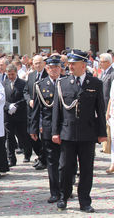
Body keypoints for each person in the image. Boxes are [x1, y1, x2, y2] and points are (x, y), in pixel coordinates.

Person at [52, 50, 107, 213]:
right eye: (69, 63)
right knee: (65, 168)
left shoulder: (95, 83)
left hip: (88, 133)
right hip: (67, 133)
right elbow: (57, 110)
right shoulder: (62, 83)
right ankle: (63, 197)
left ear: (83, 66)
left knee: (86, 169)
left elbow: (100, 111)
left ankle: (85, 200)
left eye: (73, 64)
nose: (70, 66)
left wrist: (102, 132)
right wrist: (55, 131)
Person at [30, 55, 63, 203]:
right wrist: (34, 128)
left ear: (60, 68)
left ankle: (65, 189)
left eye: (56, 67)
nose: (54, 70)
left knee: (66, 162)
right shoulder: (40, 85)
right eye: (51, 68)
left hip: (65, 127)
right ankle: (55, 192)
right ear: (47, 68)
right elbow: (36, 109)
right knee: (52, 161)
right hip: (49, 128)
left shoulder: (66, 82)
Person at [4, 64, 31, 167]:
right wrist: (8, 106)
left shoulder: (23, 83)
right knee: (9, 137)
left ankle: (27, 154)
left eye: (12, 74)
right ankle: (11, 158)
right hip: (8, 114)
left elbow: (25, 98)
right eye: (9, 74)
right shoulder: (4, 83)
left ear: (16, 73)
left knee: (23, 135)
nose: (11, 76)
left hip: (20, 114)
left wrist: (16, 105)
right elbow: (1, 98)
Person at [23, 55, 47, 168]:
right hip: (32, 111)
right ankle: (40, 156)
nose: (37, 65)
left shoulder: (47, 75)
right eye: (35, 63)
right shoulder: (31, 75)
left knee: (43, 136)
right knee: (32, 135)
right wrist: (29, 101)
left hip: (44, 110)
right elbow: (26, 91)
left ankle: (44, 159)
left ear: (44, 64)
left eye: (39, 63)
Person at [106, 79, 114, 173]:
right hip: (113, 114)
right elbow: (111, 98)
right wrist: (107, 112)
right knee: (113, 139)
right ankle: (113, 162)